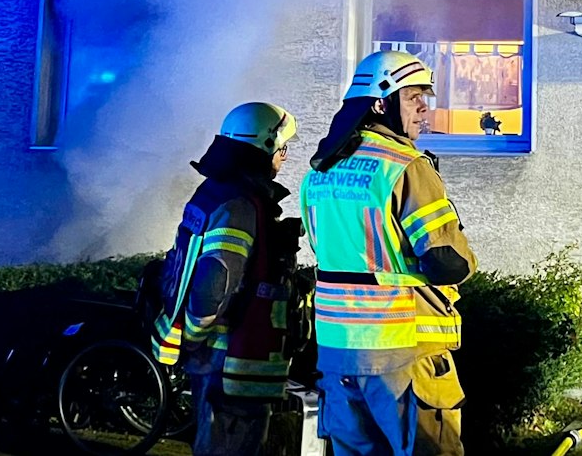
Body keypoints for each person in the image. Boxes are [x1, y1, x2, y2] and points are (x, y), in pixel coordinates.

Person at [302, 51, 476, 456]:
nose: (424, 108)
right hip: (401, 353)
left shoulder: (319, 171)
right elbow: (447, 262)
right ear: (381, 104)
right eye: (413, 97)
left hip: (337, 351)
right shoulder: (404, 165)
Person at [150, 101, 304, 456]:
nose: (284, 156)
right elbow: (214, 281)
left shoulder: (214, 191)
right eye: (282, 147)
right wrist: (195, 334)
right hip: (232, 358)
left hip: (216, 358)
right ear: (265, 146)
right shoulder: (241, 205)